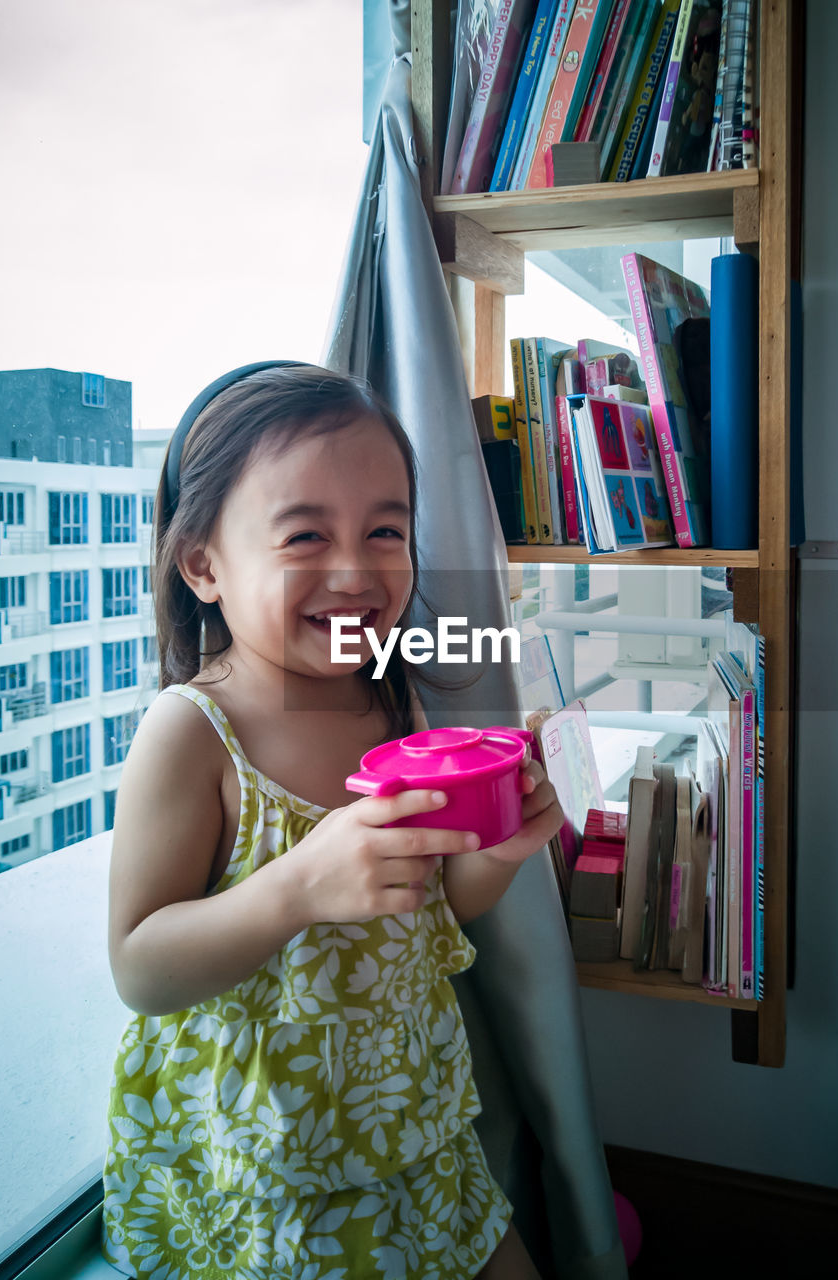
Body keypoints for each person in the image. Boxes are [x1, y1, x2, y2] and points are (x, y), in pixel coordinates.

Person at [101, 361, 563, 1280]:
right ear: (202, 566)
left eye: (384, 530)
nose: (355, 570)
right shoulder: (192, 733)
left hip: (414, 1127)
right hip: (266, 1171)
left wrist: (501, 849)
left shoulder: (395, 710)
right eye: (304, 534)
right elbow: (140, 968)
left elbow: (433, 907)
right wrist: (295, 887)